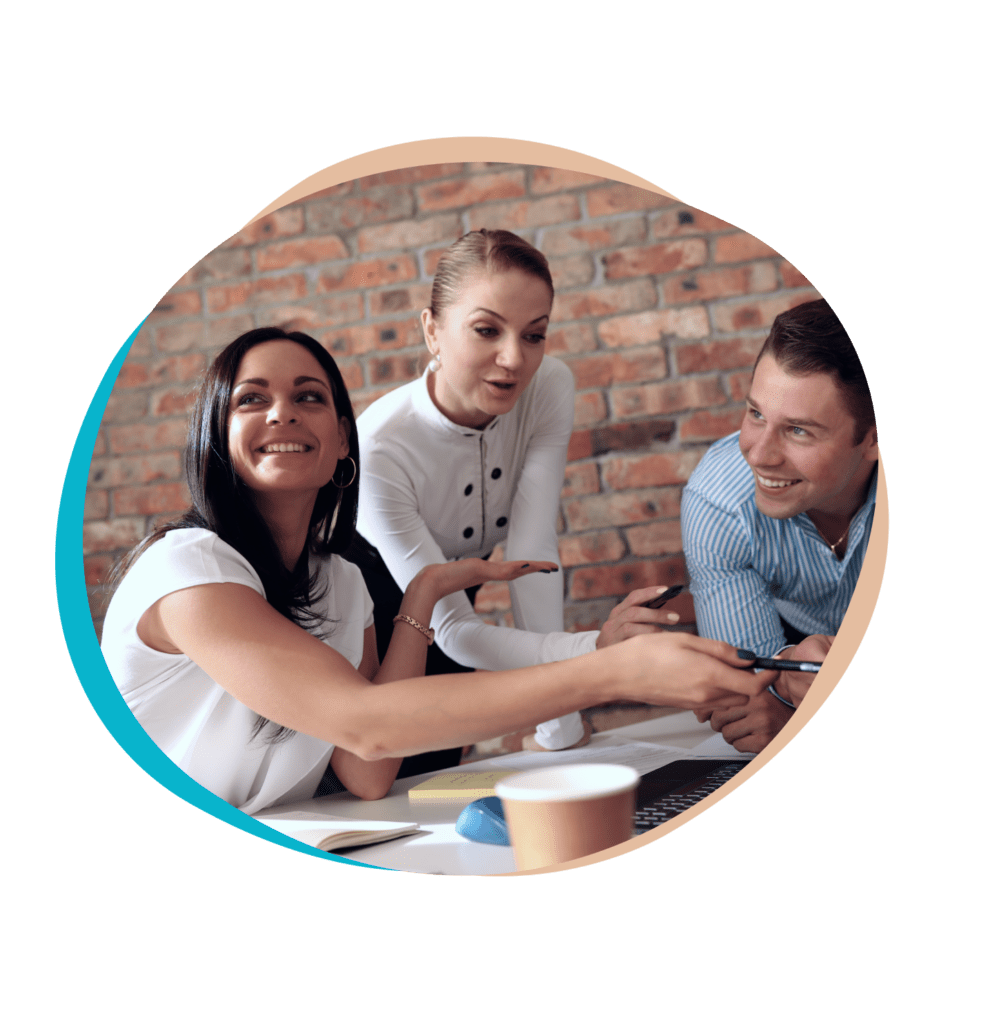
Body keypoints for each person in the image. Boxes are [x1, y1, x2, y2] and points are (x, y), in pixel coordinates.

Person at [101, 327, 772, 815]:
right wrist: (615, 671)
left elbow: (365, 772)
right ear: (215, 440)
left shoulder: (340, 582)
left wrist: (420, 595)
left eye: (308, 397)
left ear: (341, 444)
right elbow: (366, 724)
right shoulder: (186, 571)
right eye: (251, 399)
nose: (281, 411)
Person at [352, 229, 680, 759]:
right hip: (371, 621)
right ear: (432, 331)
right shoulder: (379, 448)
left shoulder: (548, 386)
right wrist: (596, 650)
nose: (513, 359)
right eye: (486, 330)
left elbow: (532, 555)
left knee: (448, 766)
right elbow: (454, 629)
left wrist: (560, 731)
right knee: (395, 779)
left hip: (456, 598)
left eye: (534, 335)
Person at [680, 299, 878, 752]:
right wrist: (786, 678)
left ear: (872, 439)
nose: (759, 454)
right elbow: (744, 689)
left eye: (799, 431)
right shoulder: (719, 502)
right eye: (756, 414)